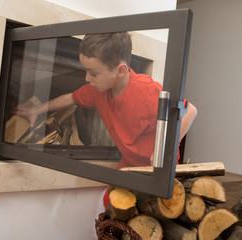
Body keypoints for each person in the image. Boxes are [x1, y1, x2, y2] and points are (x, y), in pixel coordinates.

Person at [13, 32, 197, 207]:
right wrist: (38, 109)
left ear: (120, 70)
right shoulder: (97, 91)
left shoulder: (145, 90)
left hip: (158, 169)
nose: (87, 78)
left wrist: (164, 150)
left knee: (154, 210)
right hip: (131, 162)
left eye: (93, 73)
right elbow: (70, 98)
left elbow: (190, 112)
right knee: (111, 202)